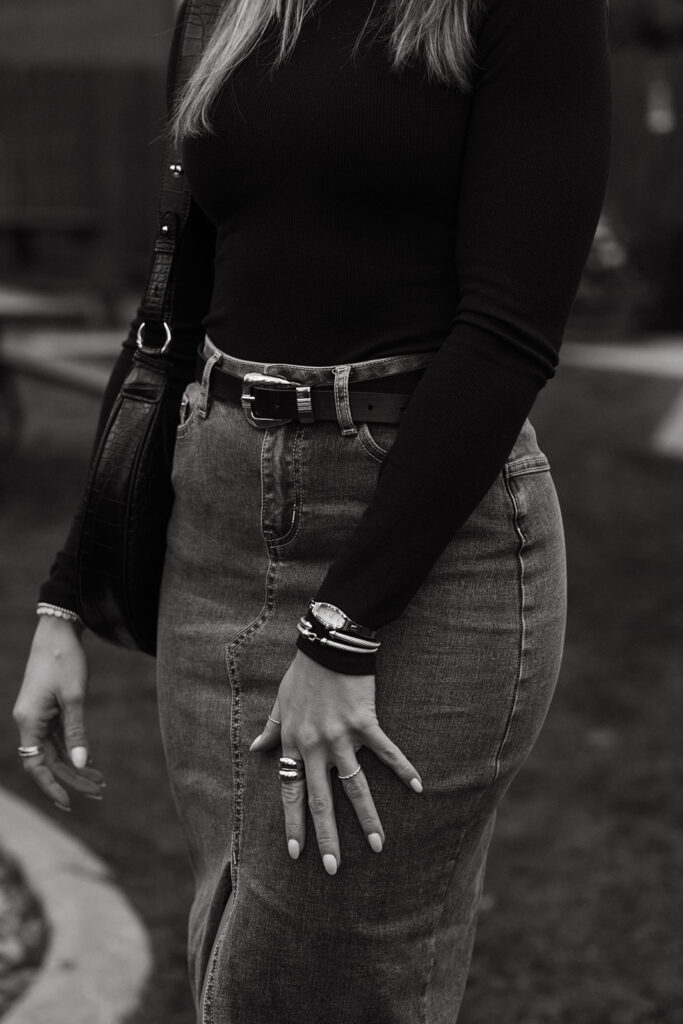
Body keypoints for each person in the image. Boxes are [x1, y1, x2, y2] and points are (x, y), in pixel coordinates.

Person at [13, 0, 611, 1019]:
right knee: (234, 933)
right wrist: (68, 599)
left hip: (424, 544)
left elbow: (508, 330)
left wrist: (342, 631)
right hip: (216, 514)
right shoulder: (226, 10)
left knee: (305, 978)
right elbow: (175, 308)